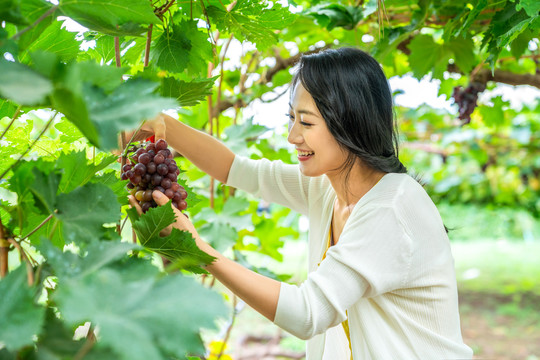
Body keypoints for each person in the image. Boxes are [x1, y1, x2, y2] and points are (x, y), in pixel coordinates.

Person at [127, 47, 473, 359]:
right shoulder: (329, 186)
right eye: (291, 119)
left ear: (349, 122)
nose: (293, 136)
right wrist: (163, 125)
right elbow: (238, 170)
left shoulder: (390, 208)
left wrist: (197, 250)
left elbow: (308, 313)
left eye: (306, 122)